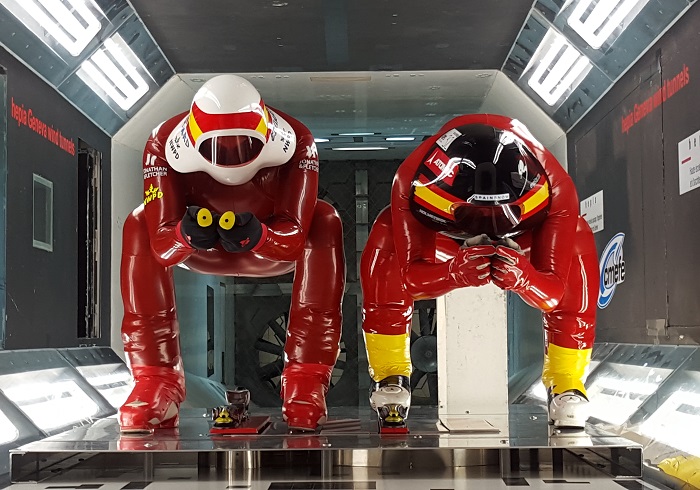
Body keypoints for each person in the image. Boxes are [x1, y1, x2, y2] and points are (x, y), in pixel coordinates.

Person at [119, 74, 345, 432]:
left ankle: (306, 375)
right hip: (197, 251)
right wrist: (184, 233)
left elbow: (295, 239)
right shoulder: (162, 143)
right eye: (218, 148)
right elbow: (162, 246)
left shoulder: (299, 141)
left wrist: (260, 236)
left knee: (325, 219)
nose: (231, 157)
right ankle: (156, 376)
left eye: (243, 145)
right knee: (138, 222)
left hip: (271, 250)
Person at [360, 114, 597, 429]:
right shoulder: (409, 182)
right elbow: (410, 278)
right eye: (477, 217)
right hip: (446, 238)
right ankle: (391, 373)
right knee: (387, 230)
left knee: (577, 236)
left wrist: (525, 277)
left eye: (497, 216)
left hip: (522, 237)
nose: (488, 229)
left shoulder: (557, 187)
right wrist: (453, 273)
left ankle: (567, 378)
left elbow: (555, 291)